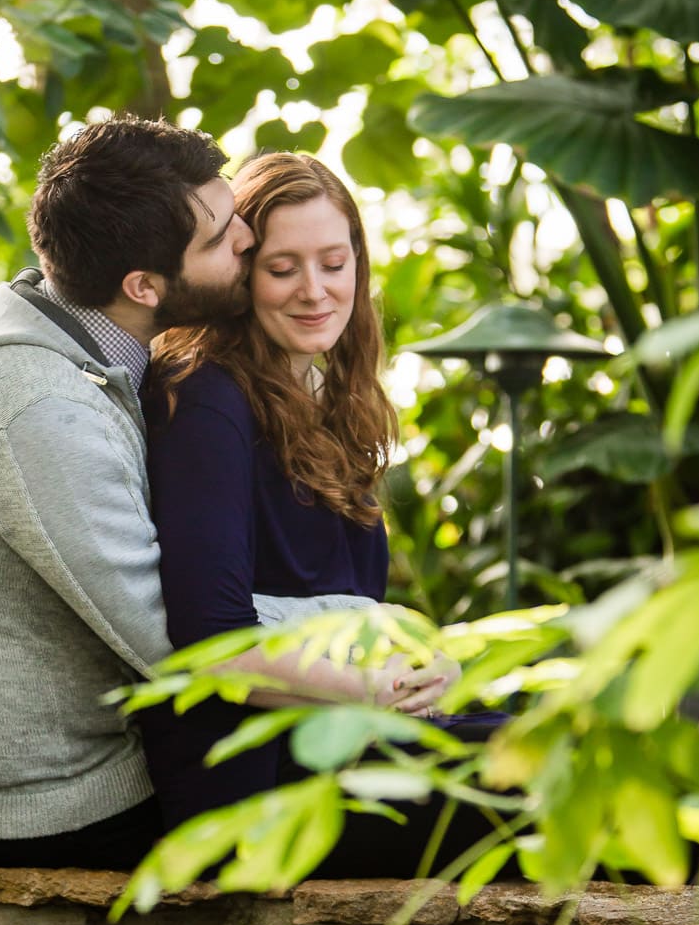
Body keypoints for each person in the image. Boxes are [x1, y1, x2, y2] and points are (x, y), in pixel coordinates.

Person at [0, 119, 415, 871]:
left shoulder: (85, 354)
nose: (247, 245)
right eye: (224, 239)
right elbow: (183, 639)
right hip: (28, 798)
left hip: (49, 746)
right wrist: (360, 625)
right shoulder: (41, 410)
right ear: (144, 285)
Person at [142, 152, 501, 876]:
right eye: (283, 269)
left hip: (343, 735)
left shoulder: (327, 401)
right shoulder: (207, 398)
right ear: (241, 274)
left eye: (334, 263)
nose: (314, 291)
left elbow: (353, 612)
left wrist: (424, 667)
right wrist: (386, 689)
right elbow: (211, 646)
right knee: (561, 774)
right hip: (262, 778)